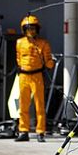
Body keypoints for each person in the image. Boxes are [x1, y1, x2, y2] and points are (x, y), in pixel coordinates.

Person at [14, 14, 54, 142]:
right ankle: (23, 131)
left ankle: (40, 132)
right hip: (23, 76)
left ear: (37, 29)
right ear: (24, 30)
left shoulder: (43, 43)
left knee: (39, 105)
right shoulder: (19, 43)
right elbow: (18, 58)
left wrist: (50, 63)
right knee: (23, 105)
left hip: (37, 76)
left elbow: (48, 60)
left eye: (33, 28)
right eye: (28, 28)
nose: (31, 31)